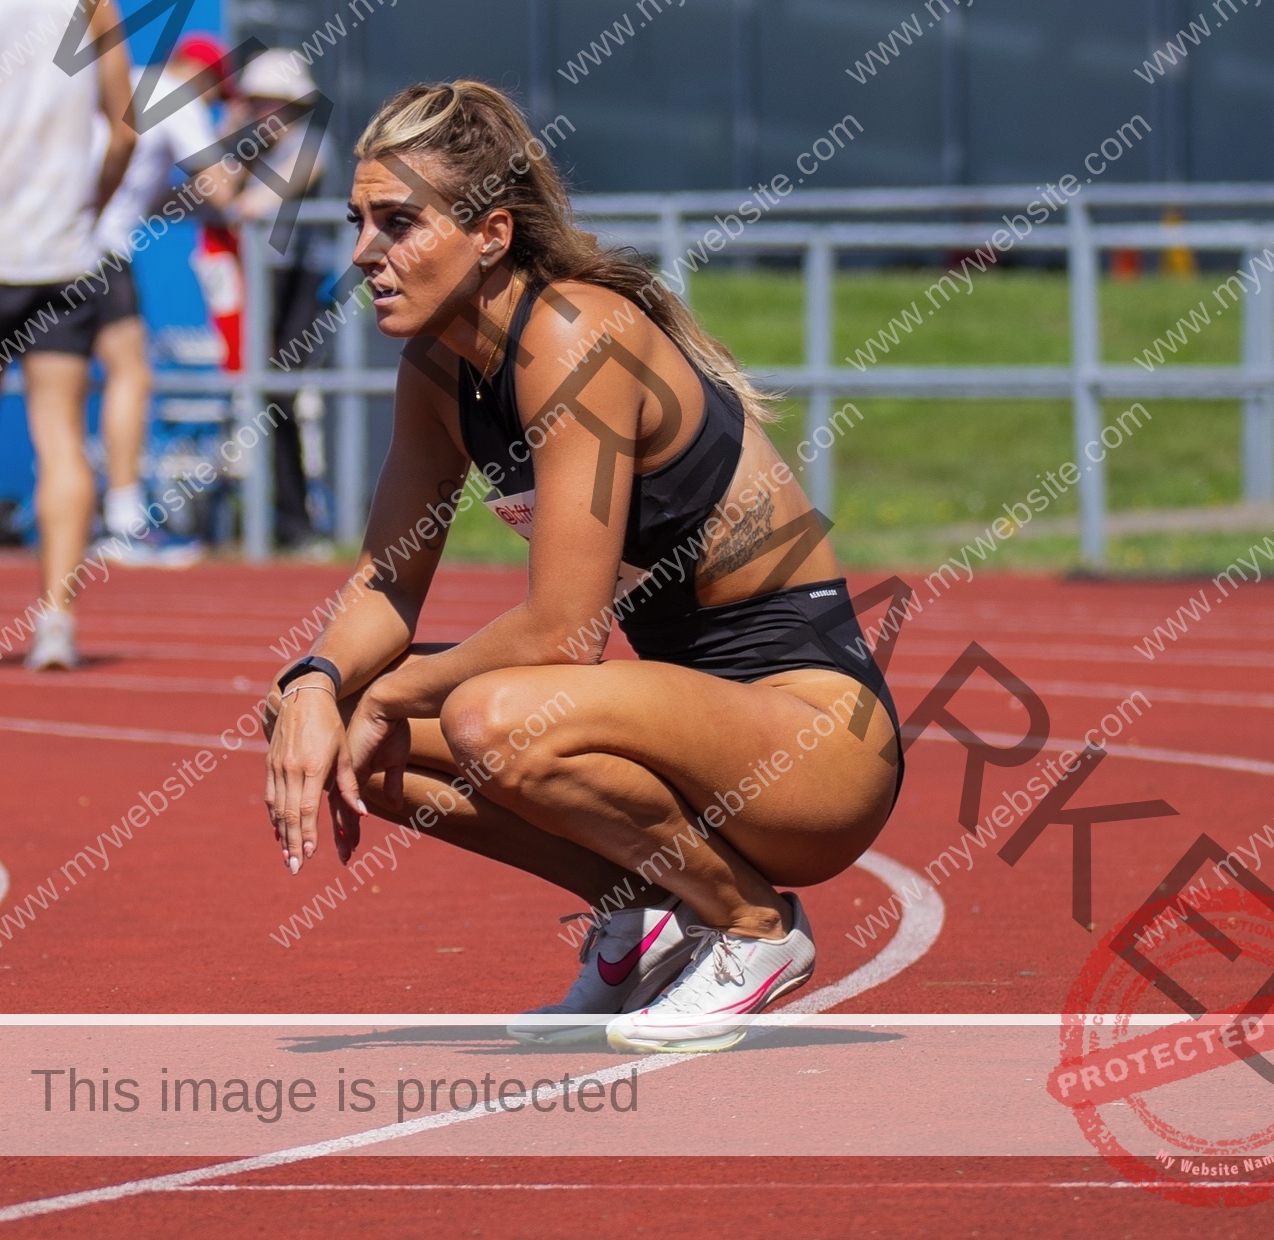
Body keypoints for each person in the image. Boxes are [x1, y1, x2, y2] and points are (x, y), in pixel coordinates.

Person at [262, 81, 901, 1053]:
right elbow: (386, 583)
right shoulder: (438, 371)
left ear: (491, 234)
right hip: (674, 720)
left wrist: (394, 694)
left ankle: (750, 925)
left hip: (811, 745)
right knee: (327, 724)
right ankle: (640, 906)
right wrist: (317, 682)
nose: (363, 255)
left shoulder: (574, 334)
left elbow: (565, 635)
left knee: (489, 715)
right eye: (358, 222)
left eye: (398, 223)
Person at [0, 0, 134, 669]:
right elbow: (127, 122)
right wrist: (95, 197)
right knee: (60, 438)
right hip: (61, 252)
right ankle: (55, 620)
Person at [89, 32, 239, 565]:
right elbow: (221, 191)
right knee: (131, 374)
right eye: (217, 99)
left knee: (50, 390)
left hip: (38, 245)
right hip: (97, 251)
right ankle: (124, 520)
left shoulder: (121, 83)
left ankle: (100, 517)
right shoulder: (180, 96)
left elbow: (145, 192)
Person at [227, 47, 333, 554]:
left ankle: (302, 522)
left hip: (306, 290)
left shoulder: (315, 146)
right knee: (264, 400)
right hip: (261, 287)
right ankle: (272, 522)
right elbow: (215, 195)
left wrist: (234, 174)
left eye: (273, 102)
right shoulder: (248, 152)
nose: (262, 112)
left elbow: (252, 203)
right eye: (254, 102)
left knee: (286, 398)